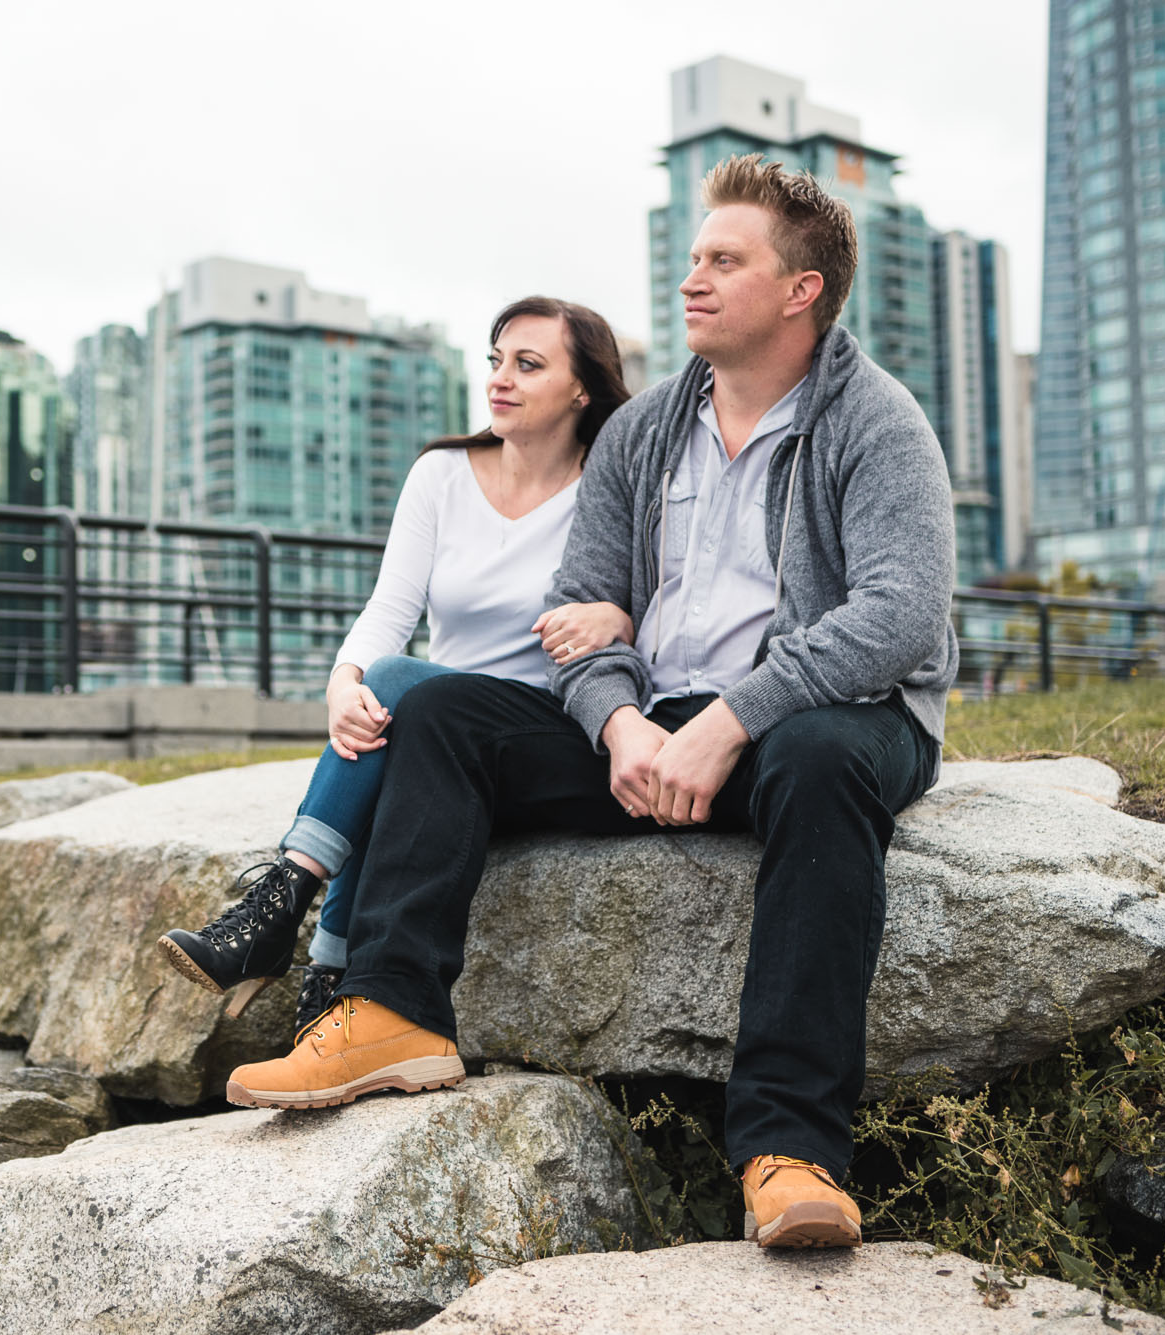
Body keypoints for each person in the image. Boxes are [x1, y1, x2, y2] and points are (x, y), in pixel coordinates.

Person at [225, 155, 959, 1252]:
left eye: (723, 260)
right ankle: (391, 1012)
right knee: (438, 710)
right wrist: (617, 724)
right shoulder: (643, 429)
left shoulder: (873, 420)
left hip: (823, 721)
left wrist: (729, 722)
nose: (690, 280)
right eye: (691, 258)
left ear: (799, 289)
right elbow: (579, 607)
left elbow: (899, 616)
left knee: (813, 760)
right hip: (655, 724)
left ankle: (787, 1150)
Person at [156, 296, 635, 1039]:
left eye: (528, 365)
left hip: (533, 736)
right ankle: (321, 979)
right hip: (429, 736)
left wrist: (619, 616)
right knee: (393, 695)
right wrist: (341, 685)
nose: (500, 379)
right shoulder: (442, 474)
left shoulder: (611, 488)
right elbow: (390, 611)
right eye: (496, 360)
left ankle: (285, 918)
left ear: (583, 389)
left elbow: (665, 607)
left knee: (406, 686)